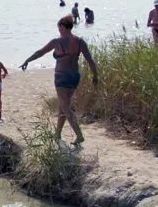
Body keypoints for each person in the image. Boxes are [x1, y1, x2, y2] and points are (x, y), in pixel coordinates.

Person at [19, 14, 99, 145]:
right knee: (63, 104)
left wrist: (27, 60)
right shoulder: (80, 42)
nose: (58, 30)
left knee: (66, 107)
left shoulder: (57, 42)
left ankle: (79, 135)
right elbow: (90, 60)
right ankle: (58, 133)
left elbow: (40, 52)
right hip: (74, 76)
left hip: (62, 76)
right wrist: (95, 75)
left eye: (59, 27)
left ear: (63, 26)